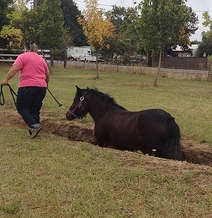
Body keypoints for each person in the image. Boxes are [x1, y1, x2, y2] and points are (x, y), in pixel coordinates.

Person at [1, 41, 50, 138]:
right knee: (35, 109)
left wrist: (6, 79)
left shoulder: (23, 57)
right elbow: (47, 75)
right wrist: (45, 85)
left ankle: (34, 126)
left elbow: (14, 69)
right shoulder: (41, 59)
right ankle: (34, 130)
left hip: (27, 86)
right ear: (36, 48)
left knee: (22, 107)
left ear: (26, 48)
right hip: (41, 87)